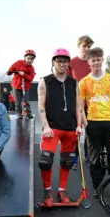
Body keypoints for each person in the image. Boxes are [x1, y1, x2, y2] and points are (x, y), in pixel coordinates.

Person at [37, 49, 82, 207]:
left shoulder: (73, 83)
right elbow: (41, 106)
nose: (62, 64)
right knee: (45, 161)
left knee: (67, 161)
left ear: (68, 63)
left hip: (70, 128)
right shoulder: (45, 81)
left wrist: (79, 125)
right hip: (52, 128)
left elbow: (78, 106)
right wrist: (46, 126)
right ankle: (47, 190)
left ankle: (61, 190)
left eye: (65, 61)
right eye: (59, 61)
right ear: (53, 62)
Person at [78, 47, 110, 201]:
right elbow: (80, 105)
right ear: (89, 62)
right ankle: (98, 187)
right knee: (94, 159)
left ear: (102, 60)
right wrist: (85, 123)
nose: (96, 62)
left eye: (98, 59)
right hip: (93, 123)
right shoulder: (84, 82)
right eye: (93, 60)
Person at [67, 35, 94, 168]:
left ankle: (89, 155)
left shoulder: (93, 63)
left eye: (89, 46)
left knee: (89, 129)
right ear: (79, 47)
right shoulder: (72, 62)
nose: (87, 48)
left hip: (91, 103)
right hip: (76, 102)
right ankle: (75, 157)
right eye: (84, 46)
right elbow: (66, 82)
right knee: (75, 130)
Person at [6, 50, 36, 119]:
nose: (29, 60)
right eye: (28, 58)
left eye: (31, 59)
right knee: (17, 101)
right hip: (16, 85)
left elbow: (30, 78)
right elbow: (12, 68)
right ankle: (19, 113)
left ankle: (28, 113)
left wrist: (24, 74)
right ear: (25, 58)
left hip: (25, 87)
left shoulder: (32, 69)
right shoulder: (18, 63)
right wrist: (9, 71)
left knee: (26, 100)